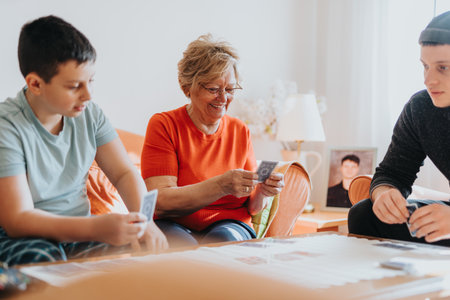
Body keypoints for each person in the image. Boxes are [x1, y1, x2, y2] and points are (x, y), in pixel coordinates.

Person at [0, 15, 168, 266]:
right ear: (35, 84)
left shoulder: (89, 113)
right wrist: (94, 228)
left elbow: (123, 172)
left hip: (81, 233)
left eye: (90, 82)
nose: (88, 95)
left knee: (129, 263)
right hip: (24, 237)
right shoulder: (7, 126)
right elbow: (17, 219)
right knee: (47, 263)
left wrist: (146, 222)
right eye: (74, 86)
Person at [141, 34, 284, 247]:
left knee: (222, 243)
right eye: (213, 89)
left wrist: (262, 191)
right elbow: (161, 202)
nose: (223, 98)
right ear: (186, 87)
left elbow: (252, 207)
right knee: (183, 251)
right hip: (172, 223)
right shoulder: (164, 124)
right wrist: (221, 185)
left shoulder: (240, 130)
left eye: (229, 89)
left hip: (230, 223)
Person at [348, 11, 450, 246]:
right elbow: (392, 174)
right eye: (425, 66)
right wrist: (384, 193)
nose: (428, 79)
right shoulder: (421, 107)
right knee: (365, 214)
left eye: (442, 68)